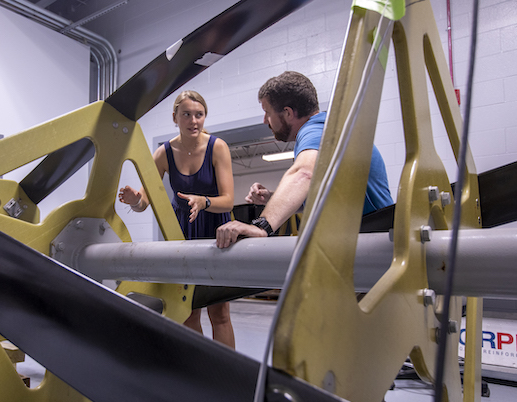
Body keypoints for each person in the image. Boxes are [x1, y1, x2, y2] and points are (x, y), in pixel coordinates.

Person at [216, 71, 393, 248]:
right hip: (368, 237)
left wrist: (262, 226)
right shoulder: (328, 128)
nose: (265, 121)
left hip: (373, 236)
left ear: (287, 113)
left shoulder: (315, 130)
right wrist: (272, 197)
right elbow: (317, 195)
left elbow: (303, 174)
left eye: (267, 112)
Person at [118, 90, 236, 349]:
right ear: (175, 117)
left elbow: (228, 200)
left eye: (199, 115)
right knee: (188, 310)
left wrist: (203, 201)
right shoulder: (163, 153)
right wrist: (135, 199)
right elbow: (145, 202)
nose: (194, 121)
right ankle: (199, 369)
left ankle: (226, 376)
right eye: (187, 115)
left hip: (217, 230)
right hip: (182, 232)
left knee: (219, 313)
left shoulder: (218, 147)